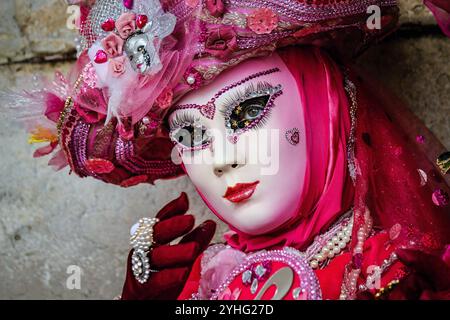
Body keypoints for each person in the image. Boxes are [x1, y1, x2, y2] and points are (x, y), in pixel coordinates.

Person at [6, 0, 450, 299]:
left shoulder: (392, 276)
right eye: (191, 136)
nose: (223, 160)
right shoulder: (207, 280)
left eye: (247, 112)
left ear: (328, 107)